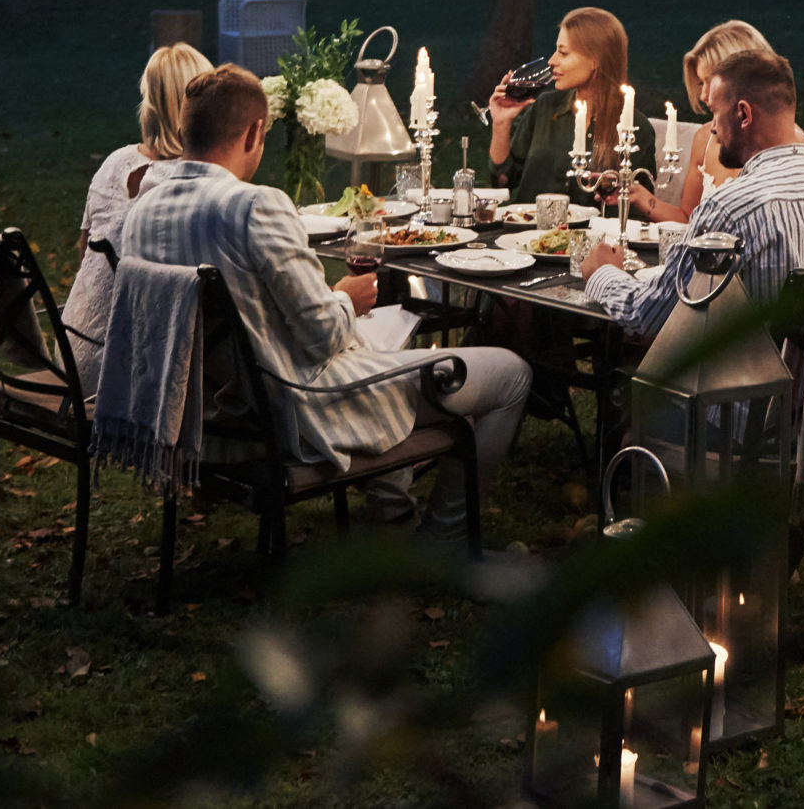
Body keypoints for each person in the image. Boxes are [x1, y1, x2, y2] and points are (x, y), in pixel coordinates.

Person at [119, 65, 530, 540]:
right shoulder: (253, 206)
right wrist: (345, 298)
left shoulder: (143, 208)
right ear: (254, 131)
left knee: (379, 343)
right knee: (511, 373)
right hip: (294, 412)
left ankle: (393, 513)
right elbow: (321, 337)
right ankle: (447, 539)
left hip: (196, 417)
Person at [578, 50, 804, 336]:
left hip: (746, 390)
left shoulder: (731, 209)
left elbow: (649, 316)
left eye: (714, 113)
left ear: (743, 115)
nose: (712, 129)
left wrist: (602, 273)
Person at [60, 42, 210, 358]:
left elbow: (85, 257)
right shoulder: (189, 183)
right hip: (124, 368)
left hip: (73, 346)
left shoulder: (115, 162)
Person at [624, 20, 804, 224]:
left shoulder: (792, 145)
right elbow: (689, 219)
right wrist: (637, 195)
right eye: (701, 83)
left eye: (711, 82)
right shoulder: (705, 139)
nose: (704, 95)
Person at [487, 6, 631, 199]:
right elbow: (502, 182)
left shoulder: (631, 128)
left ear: (595, 60)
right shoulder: (545, 107)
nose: (552, 61)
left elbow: (634, 208)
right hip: (528, 227)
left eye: (563, 53)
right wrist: (501, 123)